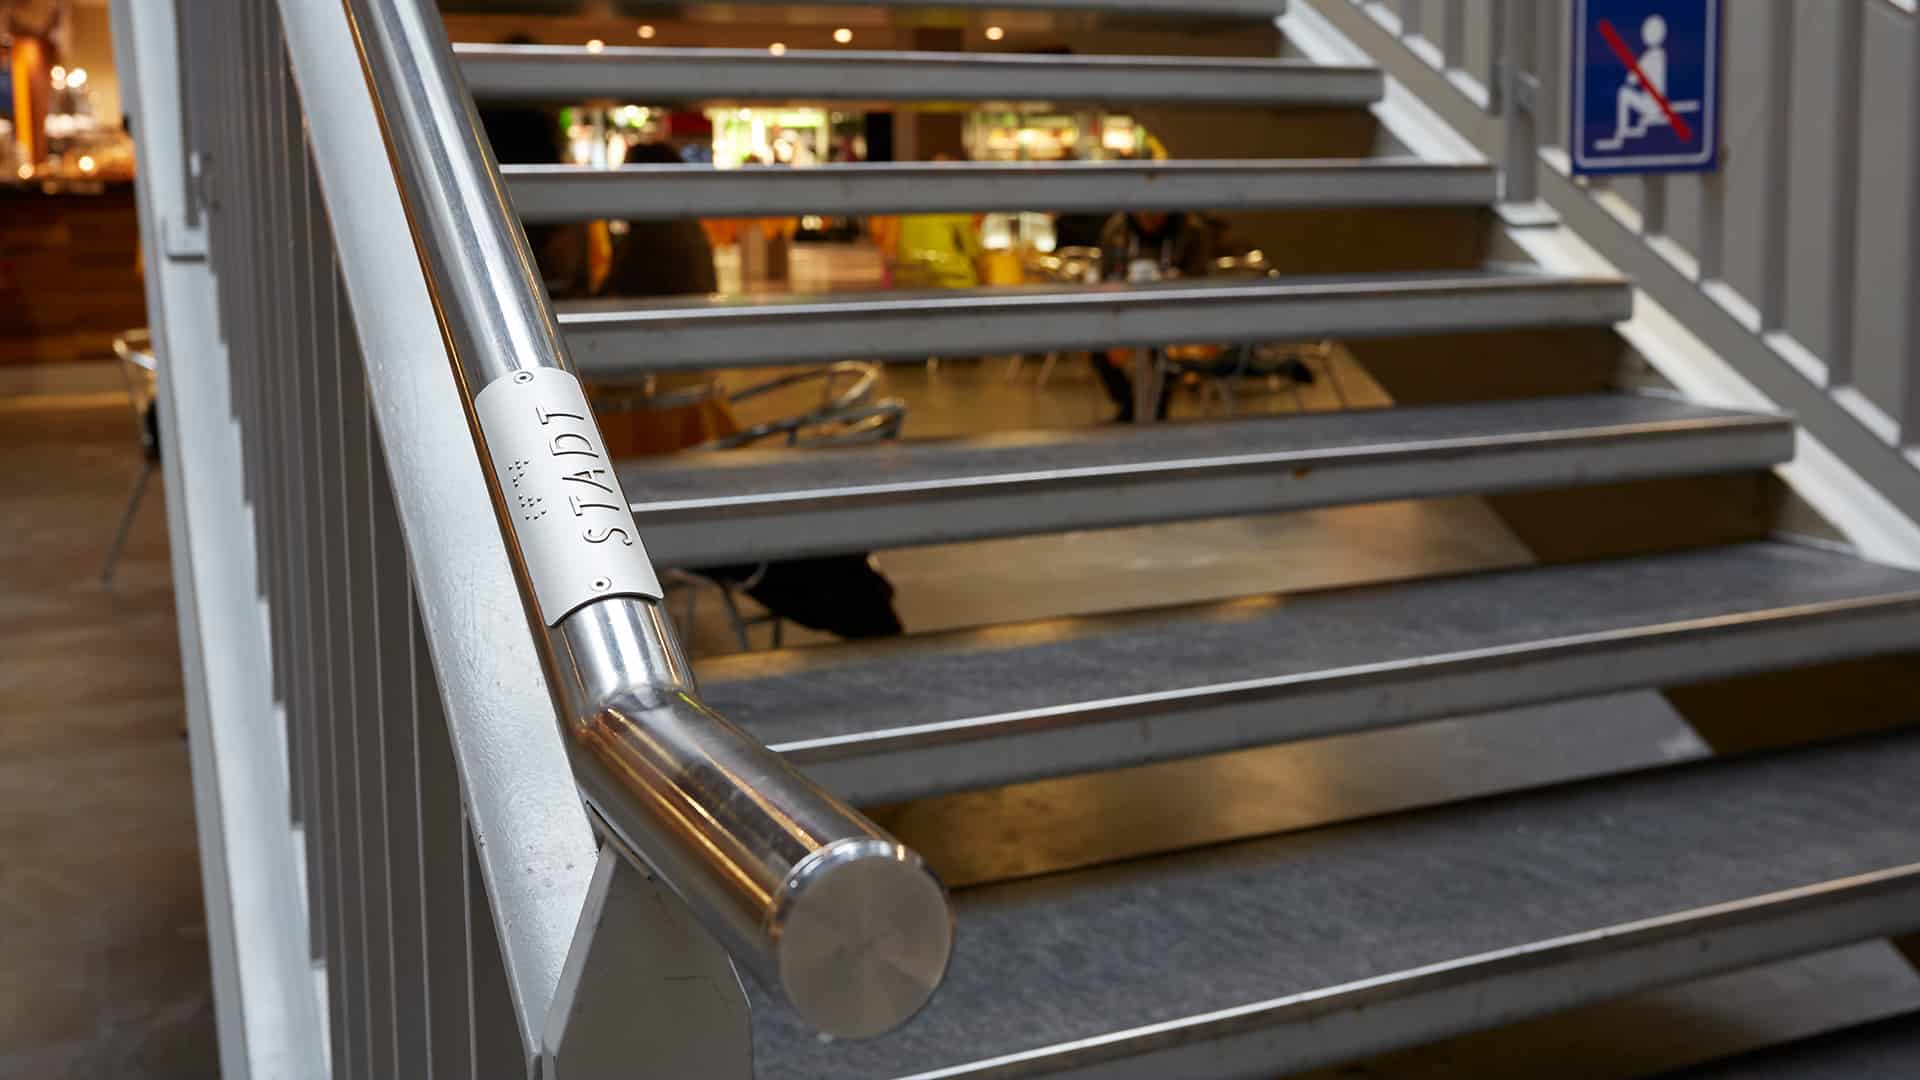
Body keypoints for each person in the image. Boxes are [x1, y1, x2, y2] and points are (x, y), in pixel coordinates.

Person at [1089, 210, 1214, 422]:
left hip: (1176, 312)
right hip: (1127, 307)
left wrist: (1178, 279)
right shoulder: (1118, 228)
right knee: (1093, 338)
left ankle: (1153, 410)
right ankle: (1131, 404)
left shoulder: (1190, 230)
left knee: (1163, 346)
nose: (1148, 216)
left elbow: (1201, 278)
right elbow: (1106, 273)